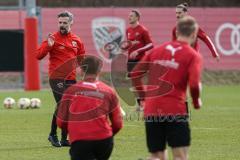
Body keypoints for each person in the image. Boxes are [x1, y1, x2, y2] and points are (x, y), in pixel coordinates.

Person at [132, 16, 203, 160]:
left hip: (151, 111)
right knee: (180, 156)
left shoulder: (156, 51)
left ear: (176, 32)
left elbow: (135, 74)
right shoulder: (193, 55)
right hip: (175, 110)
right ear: (194, 34)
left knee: (156, 155)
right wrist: (196, 102)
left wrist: (144, 97)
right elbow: (195, 85)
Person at [56, 55, 123, 160]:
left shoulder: (71, 91)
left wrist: (74, 131)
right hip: (104, 140)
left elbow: (61, 122)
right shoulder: (109, 91)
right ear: (99, 71)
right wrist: (108, 134)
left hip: (80, 140)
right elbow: (118, 124)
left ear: (82, 70)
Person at [36, 11, 85, 147]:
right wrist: (48, 46)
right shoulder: (52, 38)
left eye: (64, 22)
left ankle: (64, 138)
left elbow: (81, 59)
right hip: (56, 77)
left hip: (71, 78)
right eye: (60, 23)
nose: (62, 25)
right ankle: (52, 134)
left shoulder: (77, 40)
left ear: (71, 22)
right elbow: (38, 55)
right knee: (64, 103)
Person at [125, 9, 154, 110]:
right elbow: (129, 44)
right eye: (129, 16)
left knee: (136, 78)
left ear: (137, 17)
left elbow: (151, 44)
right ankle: (141, 103)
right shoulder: (128, 30)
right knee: (134, 81)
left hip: (141, 59)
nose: (129, 17)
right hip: (131, 60)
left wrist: (138, 51)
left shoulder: (143, 30)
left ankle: (144, 102)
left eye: (132, 16)